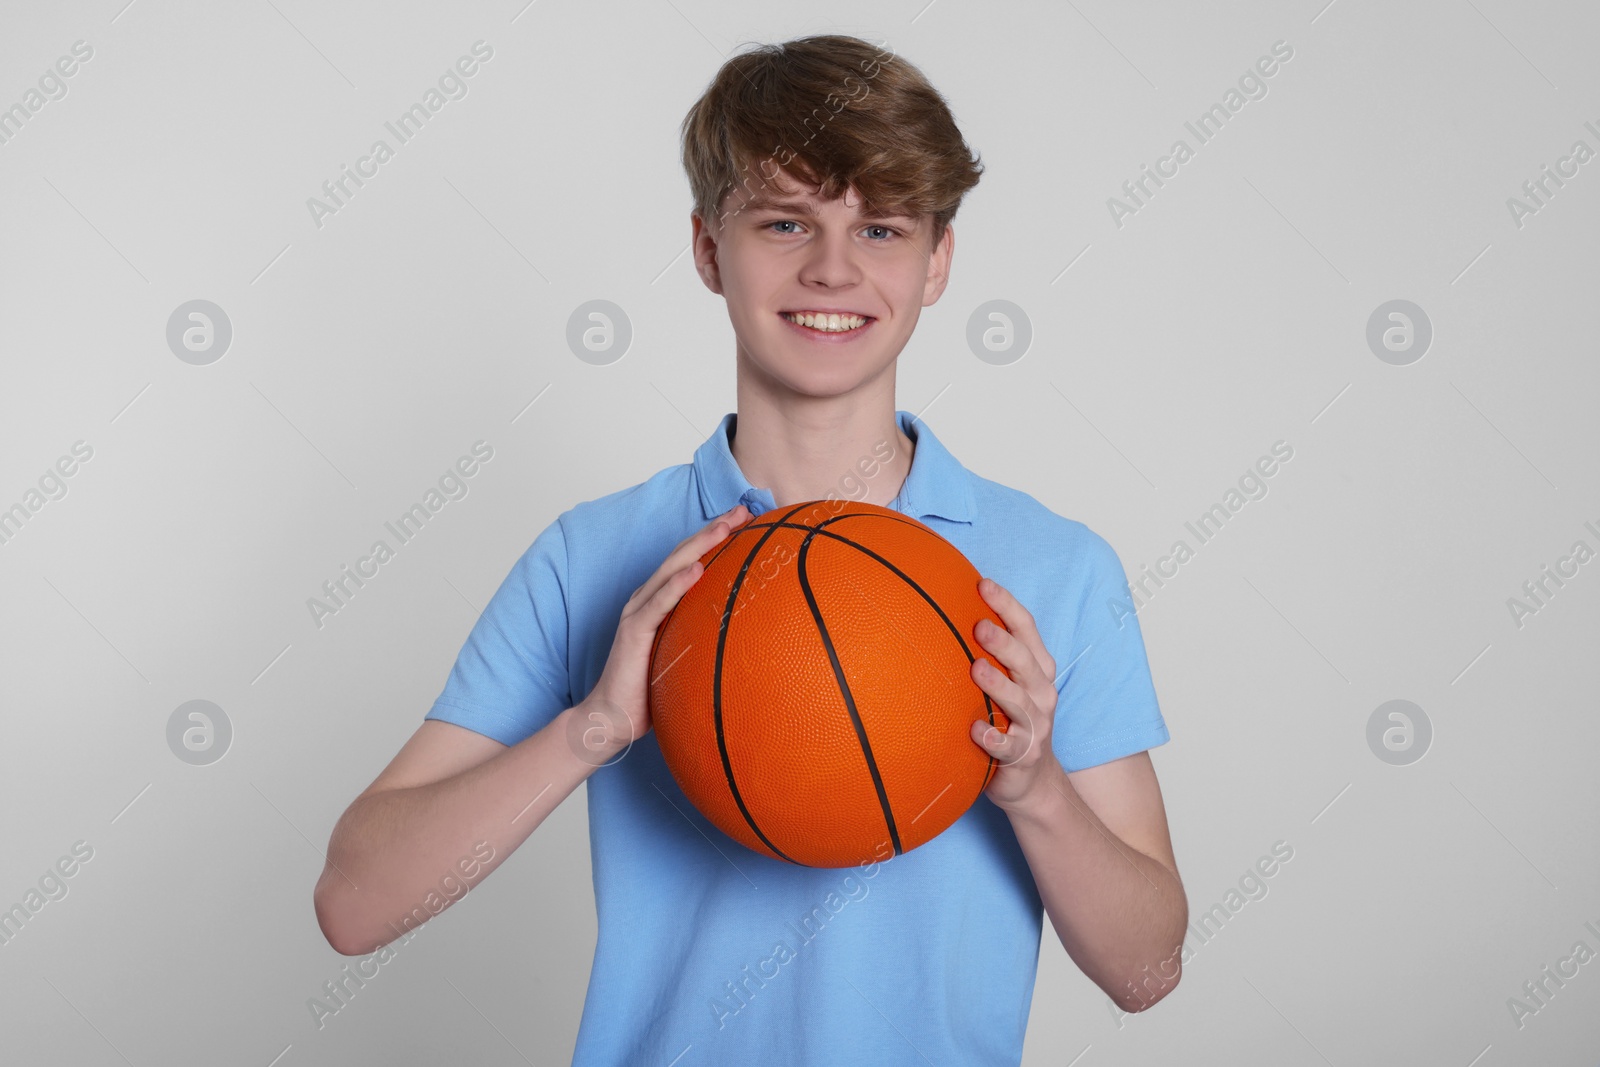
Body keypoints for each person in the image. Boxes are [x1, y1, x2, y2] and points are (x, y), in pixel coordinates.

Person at [313, 33, 1185, 1064]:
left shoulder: (1054, 569)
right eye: (784, 221)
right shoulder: (595, 556)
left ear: (938, 259)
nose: (833, 267)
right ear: (706, 248)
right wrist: (592, 727)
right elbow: (354, 906)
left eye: (881, 228)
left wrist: (1034, 786)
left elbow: (1144, 973)